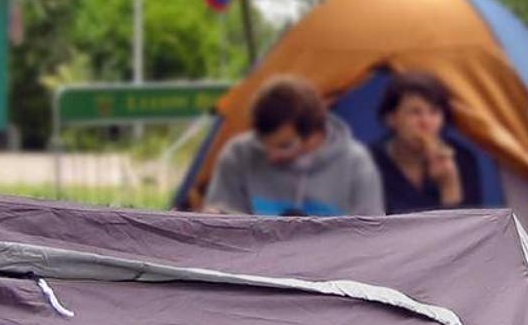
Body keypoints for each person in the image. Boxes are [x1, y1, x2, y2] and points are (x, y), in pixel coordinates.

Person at [204, 75, 385, 217]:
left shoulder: (356, 163)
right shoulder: (239, 154)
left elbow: (371, 238)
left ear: (315, 135)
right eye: (262, 143)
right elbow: (219, 219)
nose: (271, 155)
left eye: (284, 146)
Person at [369, 69, 486, 214]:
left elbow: (471, 230)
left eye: (434, 112)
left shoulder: (462, 159)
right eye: (415, 112)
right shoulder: (370, 162)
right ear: (392, 119)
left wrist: (449, 186)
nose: (426, 122)